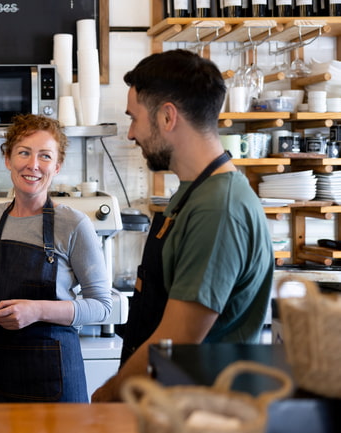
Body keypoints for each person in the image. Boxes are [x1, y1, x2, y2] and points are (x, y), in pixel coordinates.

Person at [92, 50, 274, 402]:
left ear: (167, 116)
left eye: (134, 118)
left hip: (203, 415)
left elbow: (176, 340)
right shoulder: (195, 193)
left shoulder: (219, 209)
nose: (131, 134)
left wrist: (108, 396)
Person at [0, 113, 112, 403]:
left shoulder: (74, 224)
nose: (33, 165)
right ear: (7, 159)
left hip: (52, 378)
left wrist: (37, 311)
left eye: (44, 156)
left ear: (57, 166)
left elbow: (102, 306)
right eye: (24, 153)